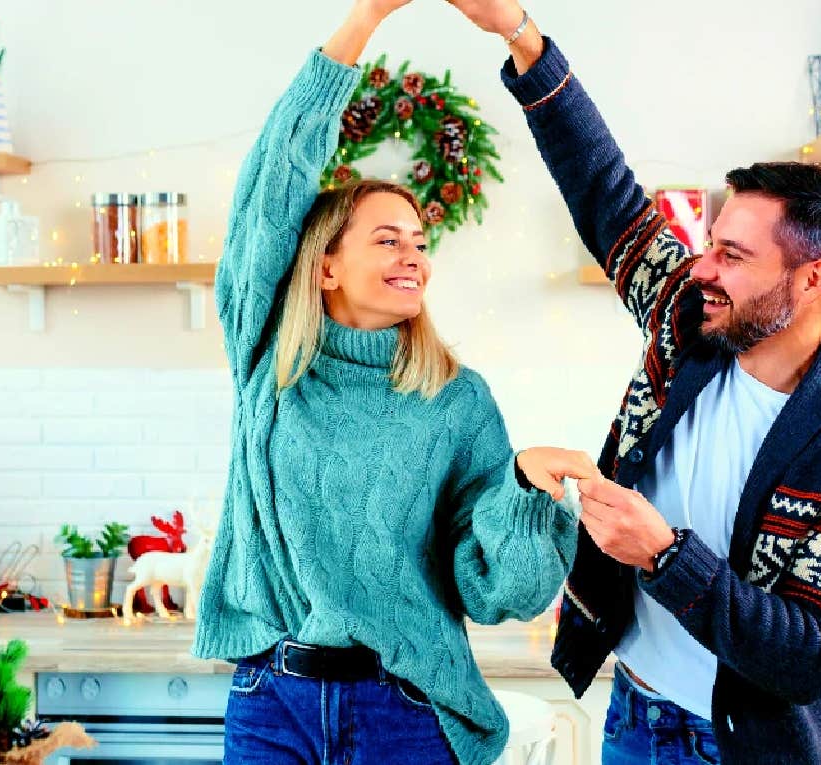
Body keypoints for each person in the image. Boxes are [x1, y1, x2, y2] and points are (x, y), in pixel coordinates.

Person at [443, 3, 821, 763]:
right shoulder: (690, 318)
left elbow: (810, 658)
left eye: (732, 255)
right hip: (634, 710)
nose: (701, 267)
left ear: (813, 279)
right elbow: (607, 194)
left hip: (744, 748)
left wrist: (663, 554)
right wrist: (520, 34)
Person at [189, 3, 592, 764]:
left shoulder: (456, 399)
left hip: (403, 711)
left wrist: (522, 490)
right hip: (270, 702)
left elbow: (495, 592)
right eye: (386, 238)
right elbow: (273, 183)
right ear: (326, 265)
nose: (414, 255)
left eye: (419, 240)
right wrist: (368, 15)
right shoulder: (269, 363)